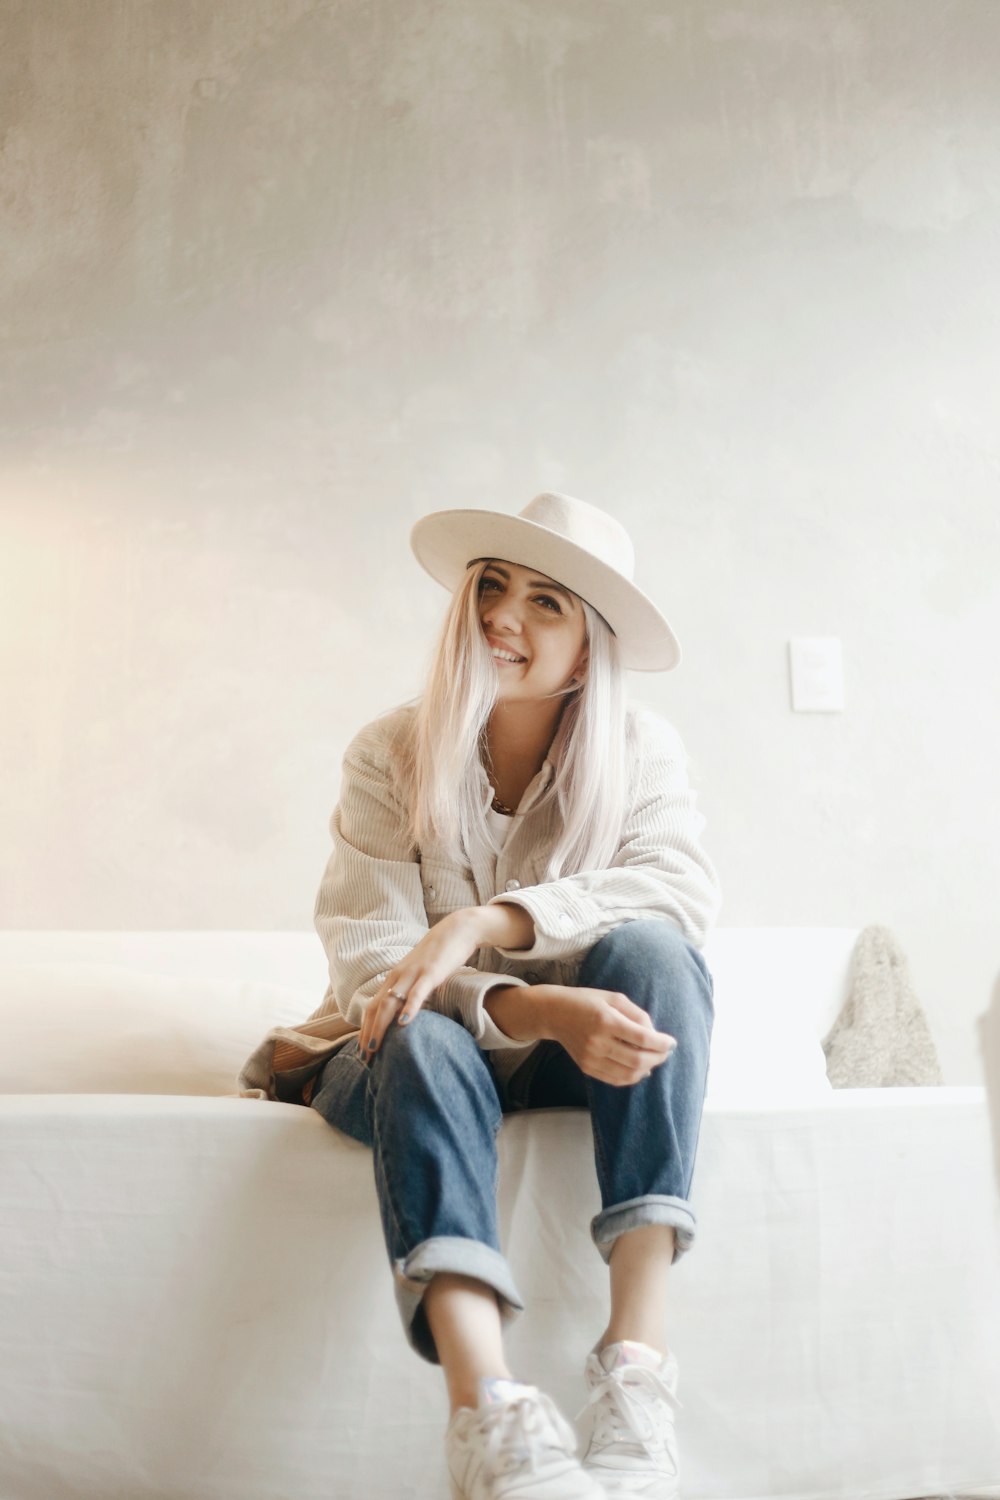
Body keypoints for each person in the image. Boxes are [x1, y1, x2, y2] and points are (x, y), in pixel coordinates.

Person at [307, 492, 721, 1500]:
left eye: (546, 602)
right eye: (491, 587)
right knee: (414, 1031)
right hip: (426, 1054)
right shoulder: (388, 753)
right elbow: (373, 962)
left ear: (588, 650)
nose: (503, 616)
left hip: (588, 1058)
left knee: (657, 956)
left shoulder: (641, 749)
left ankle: (636, 1362)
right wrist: (532, 1007)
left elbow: (677, 887)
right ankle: (487, 1411)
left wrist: (488, 923)